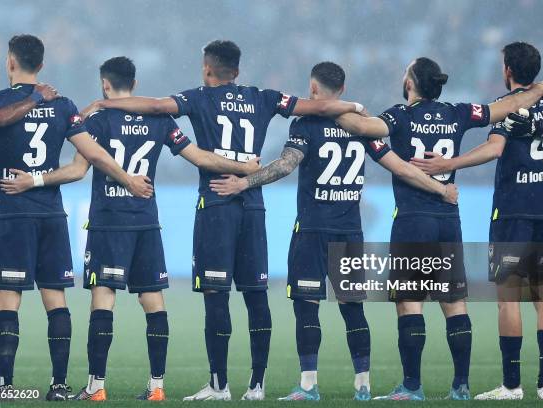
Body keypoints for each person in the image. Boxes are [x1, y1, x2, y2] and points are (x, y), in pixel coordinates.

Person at [79, 40, 367, 401]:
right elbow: (318, 106)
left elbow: (154, 105)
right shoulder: (264, 97)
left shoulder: (200, 97)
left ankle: (219, 385)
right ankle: (257, 386)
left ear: (207, 68)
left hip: (216, 204)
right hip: (253, 205)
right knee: (255, 295)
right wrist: (355, 105)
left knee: (217, 297)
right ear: (238, 70)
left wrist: (105, 102)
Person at [0, 56, 260, 401]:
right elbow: (199, 156)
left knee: (103, 298)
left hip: (109, 220)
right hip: (146, 222)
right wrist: (242, 165)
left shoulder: (97, 120)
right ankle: (157, 387)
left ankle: (97, 386)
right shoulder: (160, 120)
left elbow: (78, 170)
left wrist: (34, 180)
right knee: (153, 299)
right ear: (134, 85)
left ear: (105, 85)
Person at [209, 61, 458, 401]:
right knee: (352, 308)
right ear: (342, 90)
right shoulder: (363, 127)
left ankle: (309, 385)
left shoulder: (306, 123)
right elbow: (397, 165)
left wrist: (245, 183)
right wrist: (441, 188)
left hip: (312, 230)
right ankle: (363, 385)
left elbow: (285, 165)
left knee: (307, 306)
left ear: (313, 90)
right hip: (349, 232)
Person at [333, 57, 543, 401]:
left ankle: (411, 387)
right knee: (454, 303)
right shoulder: (457, 113)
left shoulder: (399, 116)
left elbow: (362, 128)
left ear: (410, 83)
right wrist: (539, 89)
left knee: (409, 303)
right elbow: (507, 106)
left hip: (413, 220)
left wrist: (326, 107)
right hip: (449, 218)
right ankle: (461, 386)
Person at [0, 34, 152, 401]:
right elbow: (93, 156)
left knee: (8, 300)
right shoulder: (63, 104)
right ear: (41, 65)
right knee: (56, 300)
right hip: (52, 215)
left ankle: (5, 387)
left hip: (11, 215)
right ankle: (58, 385)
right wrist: (128, 178)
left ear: (10, 62)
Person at [430, 43, 543, 400]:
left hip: (512, 213)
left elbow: (493, 150)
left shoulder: (509, 108)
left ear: (507, 70)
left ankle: (511, 385)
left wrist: (449, 164)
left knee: (508, 299)